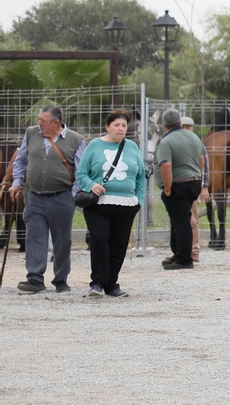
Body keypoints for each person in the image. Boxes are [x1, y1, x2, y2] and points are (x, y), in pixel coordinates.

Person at [8, 105, 86, 294]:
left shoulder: (76, 140)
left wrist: (72, 195)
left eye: (43, 121)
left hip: (62, 197)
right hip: (34, 196)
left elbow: (81, 171)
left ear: (56, 123)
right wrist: (16, 183)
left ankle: (61, 279)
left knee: (62, 241)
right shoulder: (31, 133)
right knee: (34, 237)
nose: (39, 124)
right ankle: (34, 279)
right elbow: (21, 160)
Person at [76, 108, 146, 298]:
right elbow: (81, 174)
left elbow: (141, 177)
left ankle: (111, 284)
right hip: (99, 204)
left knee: (119, 244)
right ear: (107, 127)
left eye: (124, 125)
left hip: (127, 204)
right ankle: (97, 283)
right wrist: (91, 185)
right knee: (99, 241)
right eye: (116, 125)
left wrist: (139, 201)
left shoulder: (132, 147)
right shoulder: (94, 145)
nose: (121, 128)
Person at [157, 109, 207, 270]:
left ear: (164, 124)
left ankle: (184, 259)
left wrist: (167, 187)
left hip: (179, 185)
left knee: (181, 222)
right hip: (194, 182)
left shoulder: (166, 141)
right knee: (180, 219)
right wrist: (197, 175)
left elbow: (166, 166)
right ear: (180, 122)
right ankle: (178, 253)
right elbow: (201, 159)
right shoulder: (193, 137)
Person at [178, 115, 208, 265]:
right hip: (179, 185)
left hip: (193, 184)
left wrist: (204, 187)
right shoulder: (175, 143)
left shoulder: (198, 144)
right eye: (183, 127)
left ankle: (194, 250)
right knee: (178, 219)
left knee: (193, 219)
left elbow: (205, 166)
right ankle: (181, 250)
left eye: (188, 127)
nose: (185, 129)